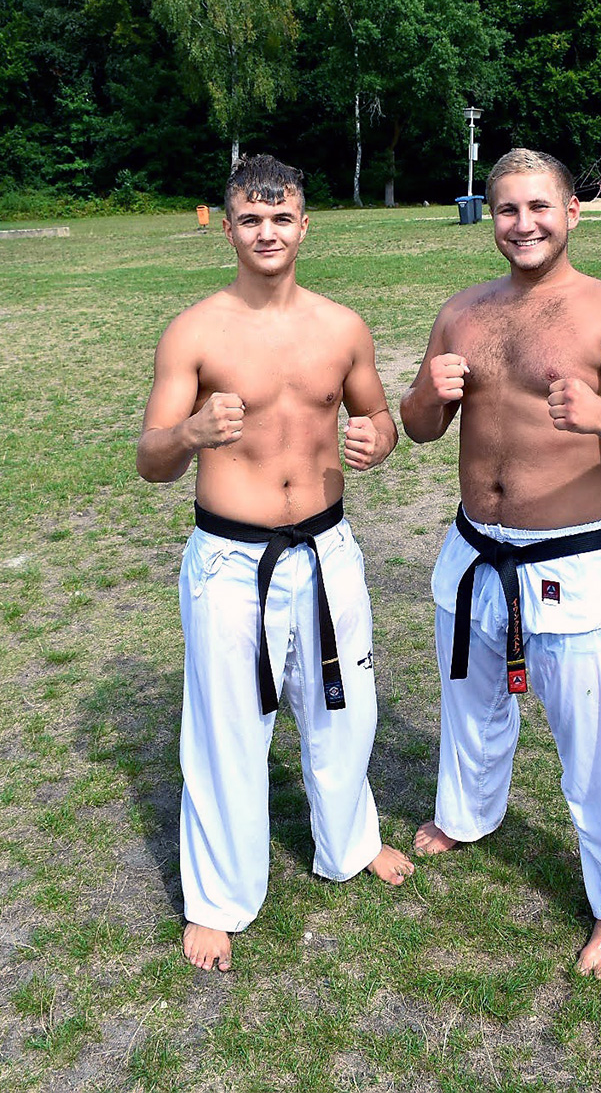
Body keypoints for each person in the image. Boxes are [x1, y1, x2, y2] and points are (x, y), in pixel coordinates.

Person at [400, 148, 601, 984]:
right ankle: (465, 815)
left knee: (591, 746)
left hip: (571, 562)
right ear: (489, 218)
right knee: (470, 707)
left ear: (570, 213)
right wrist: (428, 394)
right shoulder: (462, 312)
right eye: (506, 210)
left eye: (538, 207)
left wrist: (600, 414)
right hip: (474, 553)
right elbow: (419, 427)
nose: (522, 224)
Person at [137, 154, 413, 973]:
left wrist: (377, 441)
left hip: (327, 551)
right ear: (227, 229)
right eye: (251, 220)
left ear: (304, 226)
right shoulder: (194, 332)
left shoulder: (341, 326)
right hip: (231, 560)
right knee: (227, 728)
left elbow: (380, 417)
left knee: (346, 708)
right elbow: (150, 459)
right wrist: (189, 433)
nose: (267, 232)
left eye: (281, 217)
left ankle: (350, 841)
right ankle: (219, 899)